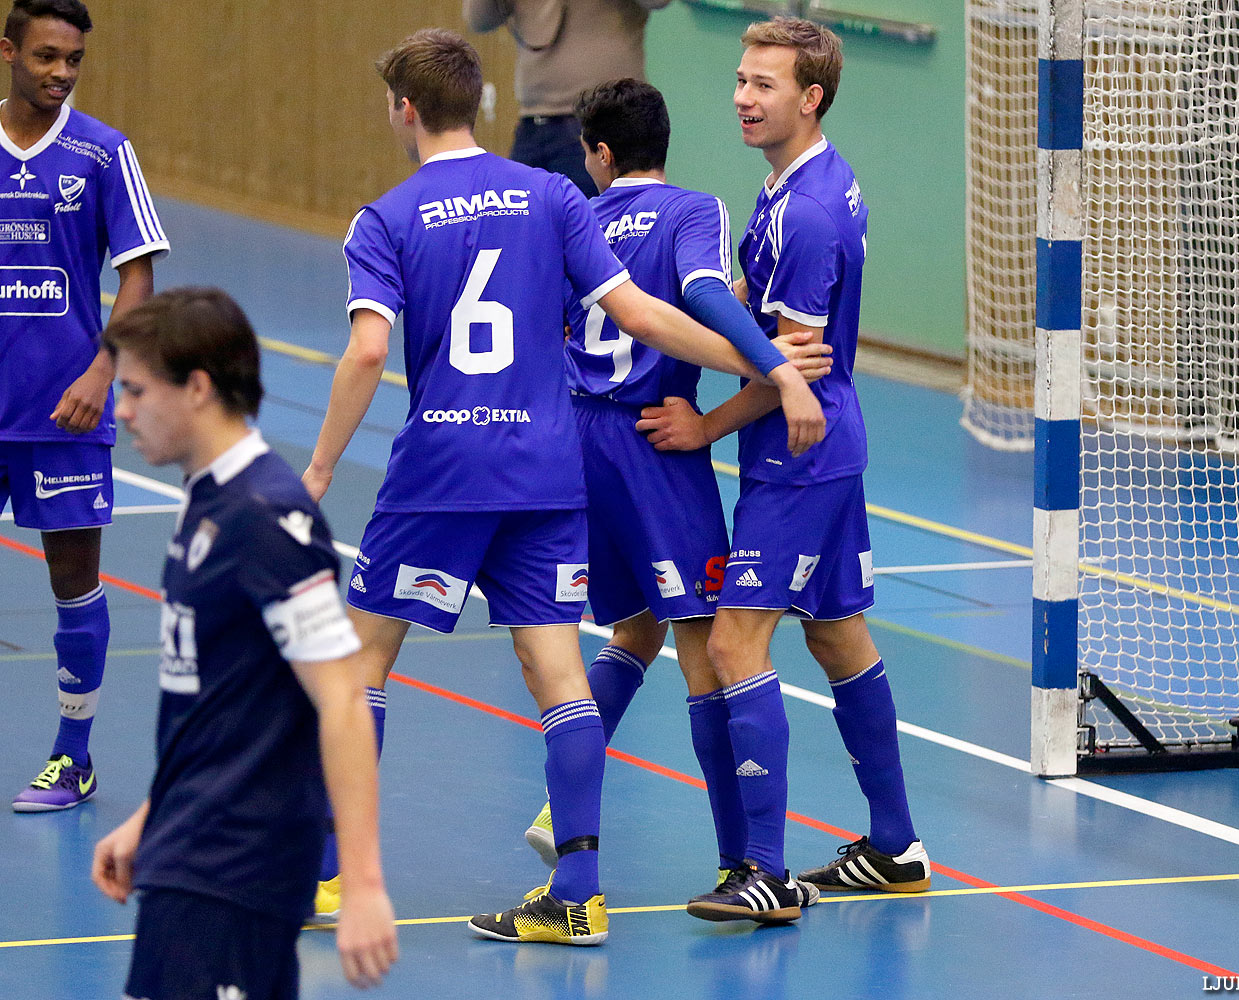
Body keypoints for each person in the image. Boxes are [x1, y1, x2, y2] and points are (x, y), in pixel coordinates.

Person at [301, 28, 828, 945]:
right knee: (557, 679)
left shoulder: (383, 219)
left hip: (440, 473)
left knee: (361, 670)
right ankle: (577, 894)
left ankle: (331, 879)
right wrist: (769, 368)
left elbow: (370, 348)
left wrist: (314, 470)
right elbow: (644, 314)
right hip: (546, 473)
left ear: (406, 109)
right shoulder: (550, 196)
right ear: (479, 104)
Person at [636, 17, 931, 922]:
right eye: (739, 79)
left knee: (733, 645)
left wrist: (705, 427)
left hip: (799, 461)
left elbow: (788, 371)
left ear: (811, 98)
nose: (741, 97)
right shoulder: (806, 186)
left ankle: (763, 871)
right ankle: (895, 847)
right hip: (829, 452)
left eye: (762, 85)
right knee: (838, 636)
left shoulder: (801, 213)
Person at [519, 77, 824, 904]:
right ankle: (745, 864)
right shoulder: (694, 210)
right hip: (656, 441)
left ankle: (562, 806)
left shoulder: (573, 221)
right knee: (709, 654)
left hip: (574, 443)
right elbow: (697, 291)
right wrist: (773, 364)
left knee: (634, 626)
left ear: (602, 155)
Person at [90, 287, 397, 997]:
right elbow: (227, 708)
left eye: (135, 391)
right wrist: (151, 817)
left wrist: (365, 885)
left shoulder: (266, 519)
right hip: (186, 853)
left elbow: (343, 701)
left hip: (236, 871)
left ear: (197, 388)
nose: (122, 409)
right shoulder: (206, 497)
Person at [0, 0, 166, 812]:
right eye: (45, 57)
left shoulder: (103, 153)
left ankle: (73, 756)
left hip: (63, 409)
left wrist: (103, 370)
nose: (61, 72)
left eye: (73, 60)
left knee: (73, 578)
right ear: (8, 52)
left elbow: (137, 271)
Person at [461, 0, 670, 194]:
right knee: (519, 223)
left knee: (602, 226)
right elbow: (479, 20)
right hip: (532, 125)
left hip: (601, 125)